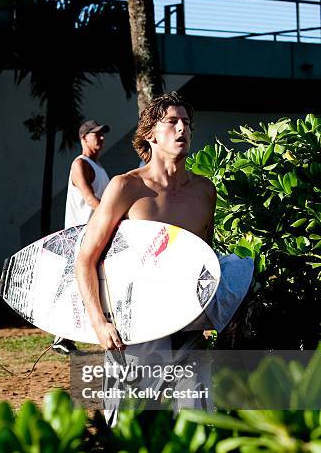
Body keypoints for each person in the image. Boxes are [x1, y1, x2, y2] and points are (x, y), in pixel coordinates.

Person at [76, 92, 253, 424]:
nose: (181, 128)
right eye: (172, 121)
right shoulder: (126, 187)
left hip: (187, 324)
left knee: (198, 423)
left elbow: (205, 259)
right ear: (150, 134)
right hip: (135, 326)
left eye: (186, 122)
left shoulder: (204, 191)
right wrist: (99, 322)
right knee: (129, 428)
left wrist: (217, 310)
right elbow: (86, 258)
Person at [52, 119, 111, 355]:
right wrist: (111, 217)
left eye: (102, 134)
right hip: (82, 235)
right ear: (84, 139)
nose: (102, 138)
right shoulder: (80, 164)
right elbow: (90, 198)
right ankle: (60, 336)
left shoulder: (100, 168)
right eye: (96, 135)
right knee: (77, 286)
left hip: (97, 232)